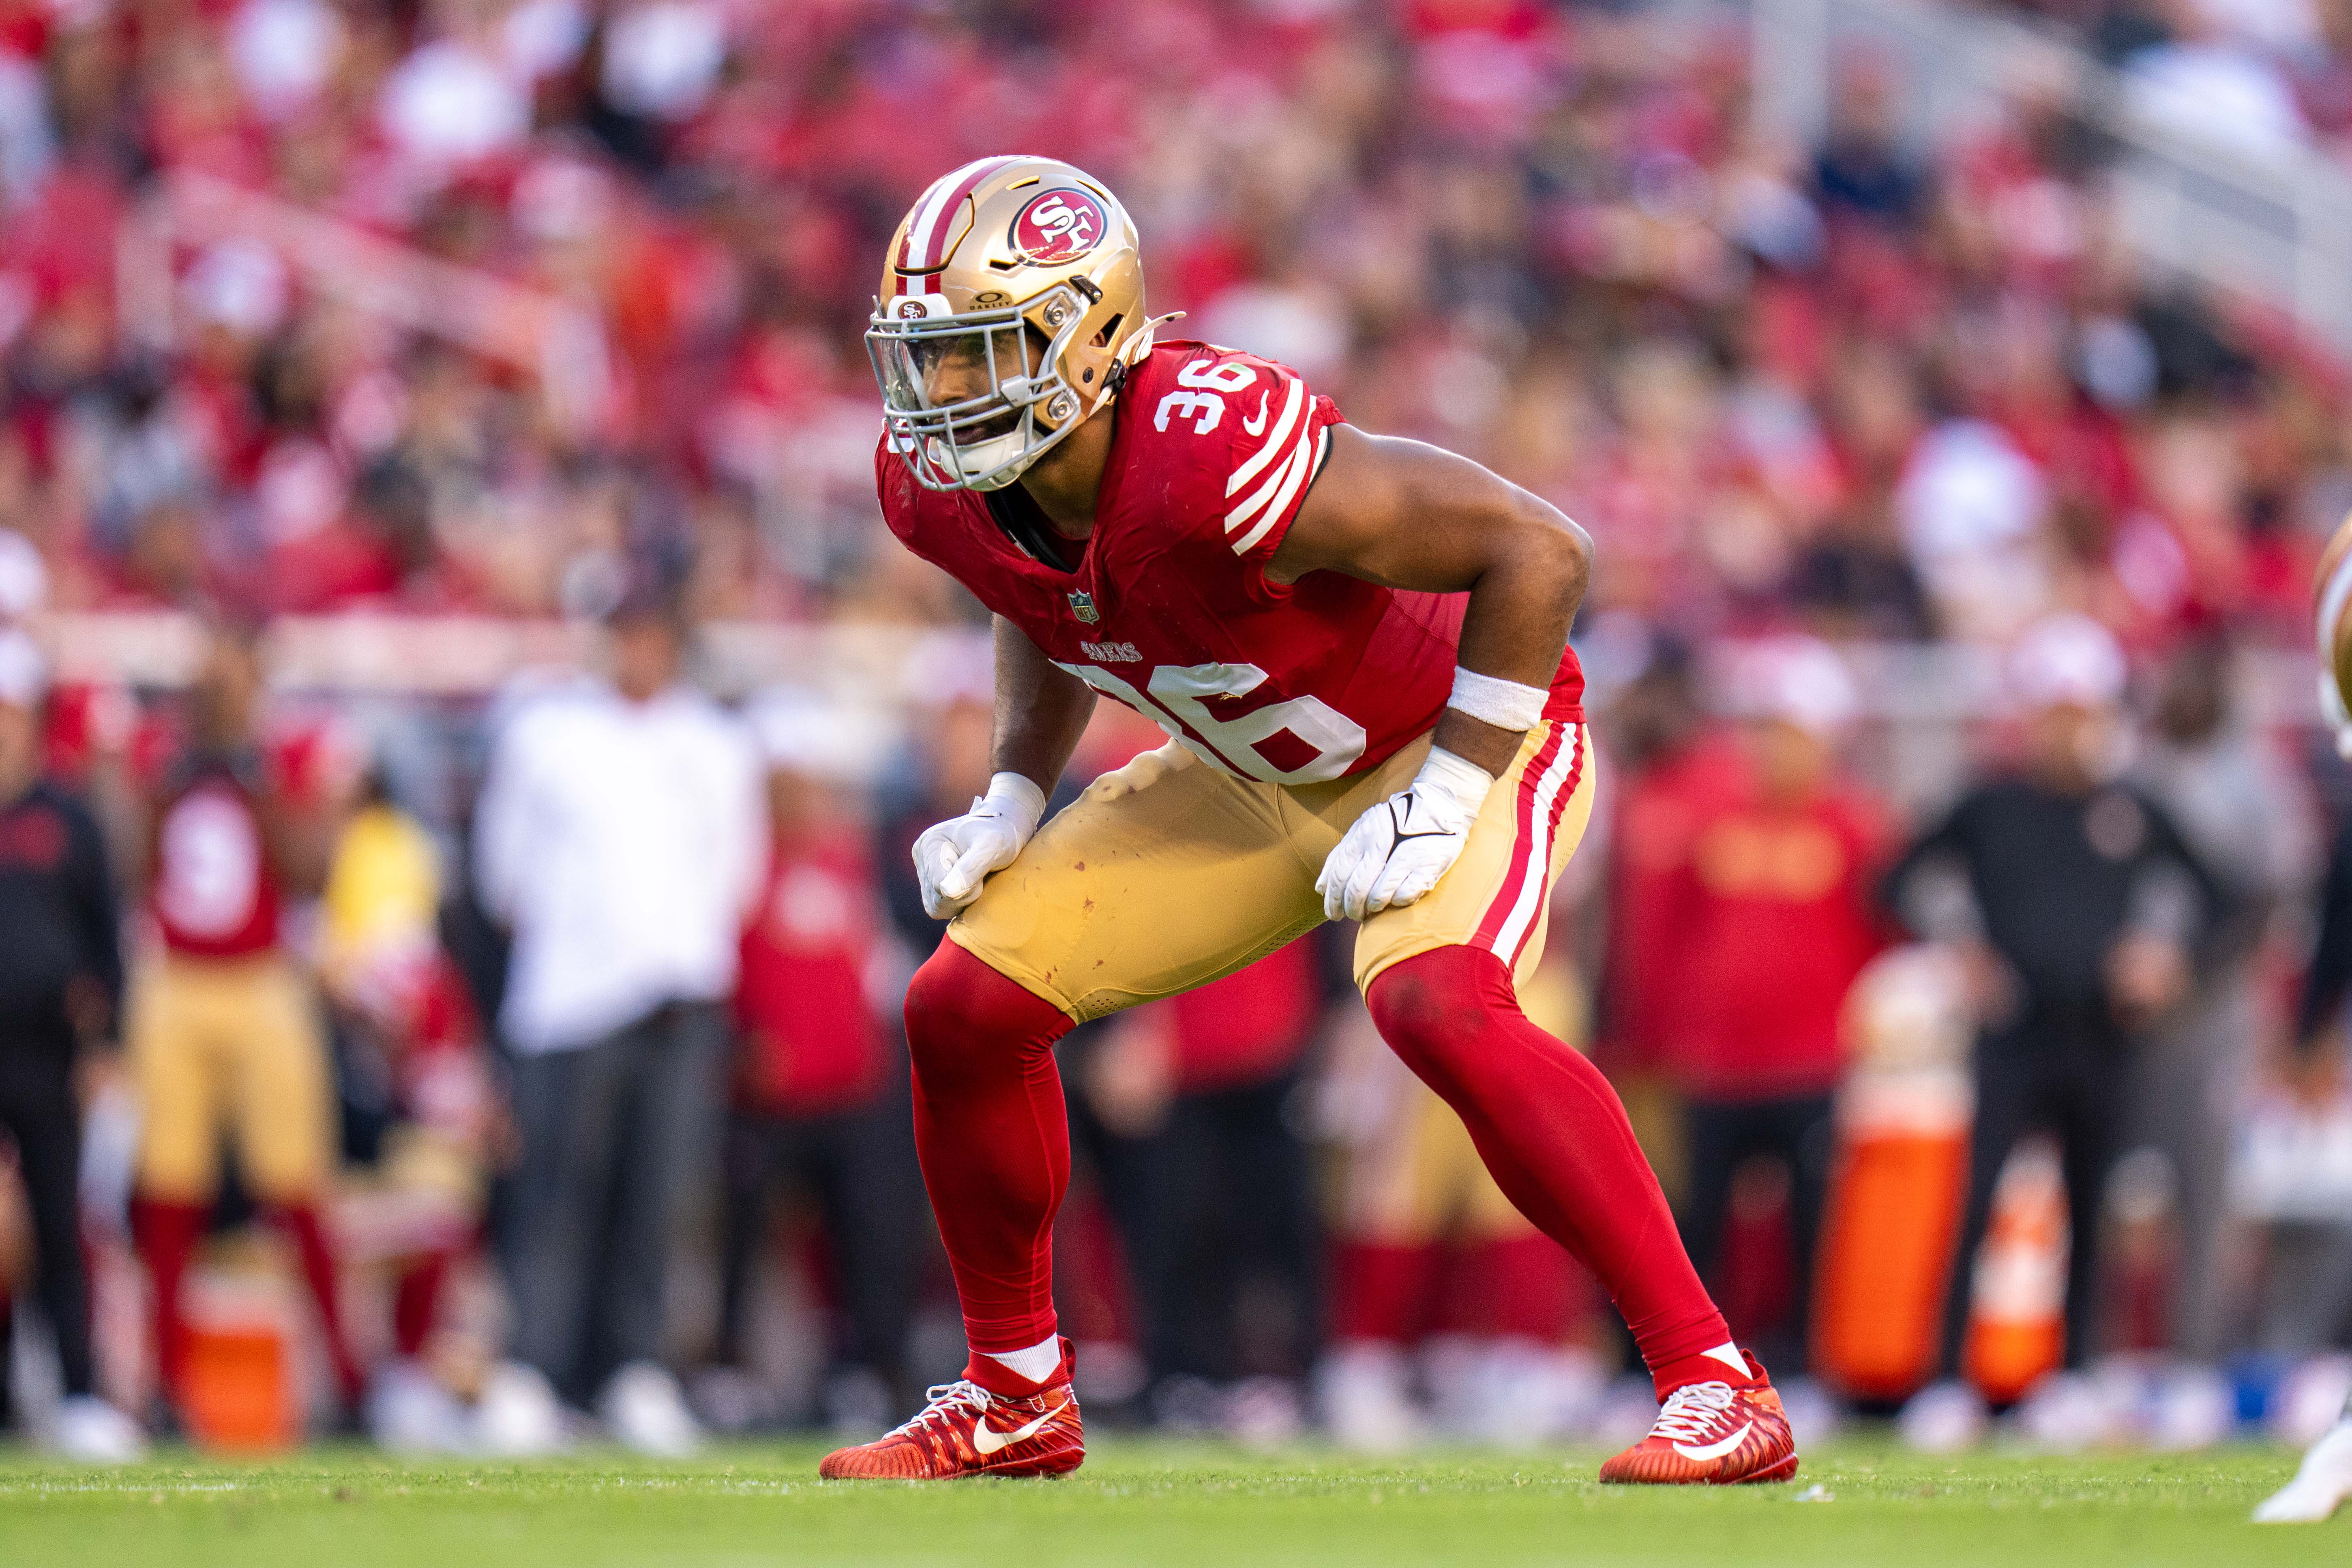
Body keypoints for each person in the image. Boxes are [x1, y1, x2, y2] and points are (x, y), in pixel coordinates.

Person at [817, 157, 1796, 1484]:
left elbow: (1539, 548)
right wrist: (1011, 788)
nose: (936, 393)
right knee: (963, 1007)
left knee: (1435, 1001)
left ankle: (1716, 1381)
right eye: (924, 356)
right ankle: (1015, 1395)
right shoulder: (937, 482)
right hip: (1247, 764)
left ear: (1094, 334)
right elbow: (1038, 597)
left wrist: (1449, 789)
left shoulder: (1205, 447)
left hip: (1457, 732)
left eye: (978, 349)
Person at [1883, 614, 2225, 1446]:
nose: (2067, 725)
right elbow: (1894, 877)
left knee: (2090, 1199)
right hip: (2013, 1031)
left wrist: (2168, 956)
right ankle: (1947, 1380)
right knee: (1978, 1199)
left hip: (2103, 1034)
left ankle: (2069, 1375)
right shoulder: (1993, 800)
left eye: (2081, 709)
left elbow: (2229, 897)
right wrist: (1955, 950)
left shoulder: (2132, 807)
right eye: (2054, 708)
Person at [470, 586, 765, 1456]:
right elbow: (502, 875)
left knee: (660, 1194)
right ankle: (532, 1369)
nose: (636, 649)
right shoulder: (546, 734)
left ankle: (636, 1369)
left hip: (676, 996)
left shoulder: (714, 744)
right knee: (557, 1193)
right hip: (567, 999)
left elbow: (734, 874)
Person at [126, 623, 367, 1431]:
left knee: (296, 1181)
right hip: (177, 976)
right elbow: (131, 862)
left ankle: (346, 1377)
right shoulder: (162, 751)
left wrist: (256, 786)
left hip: (263, 977)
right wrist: (171, 782)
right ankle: (166, 1384)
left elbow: (313, 872)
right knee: (169, 1184)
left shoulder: (286, 754)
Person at [1665, 638, 1890, 1385]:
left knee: (1808, 1228)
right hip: (1717, 1062)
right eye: (1760, 729)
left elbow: (1884, 939)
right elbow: (1678, 928)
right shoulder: (1711, 817)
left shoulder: (1857, 826)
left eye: (1784, 730)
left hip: (1811, 1058)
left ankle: (1801, 1366)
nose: (1766, 747)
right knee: (1698, 1225)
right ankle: (1694, 1369)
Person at [707, 689, 924, 1432]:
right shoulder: (737, 862)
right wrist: (740, 1046)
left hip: (852, 1086)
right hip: (768, 1093)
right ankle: (728, 1371)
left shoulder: (853, 861)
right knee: (744, 1237)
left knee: (868, 1237)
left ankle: (871, 1373)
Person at [0, 631, 143, 1461]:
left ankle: (83, 1390)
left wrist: (109, 1042)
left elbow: (106, 941)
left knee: (63, 1225)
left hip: (51, 1051)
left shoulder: (68, 819)